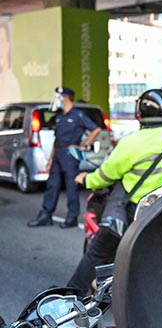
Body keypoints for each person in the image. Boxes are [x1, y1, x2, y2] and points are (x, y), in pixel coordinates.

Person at [68, 89, 162, 294]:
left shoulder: (131, 143)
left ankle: (69, 301)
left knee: (96, 253)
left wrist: (87, 179)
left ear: (140, 114)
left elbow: (106, 175)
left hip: (134, 214)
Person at [28, 87, 101, 228]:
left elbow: (96, 129)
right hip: (58, 153)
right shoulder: (60, 116)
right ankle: (46, 215)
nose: (58, 100)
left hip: (70, 153)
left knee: (71, 186)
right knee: (52, 185)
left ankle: (72, 217)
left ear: (66, 97)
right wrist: (50, 160)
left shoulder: (78, 115)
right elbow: (57, 140)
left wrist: (85, 145)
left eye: (60, 97)